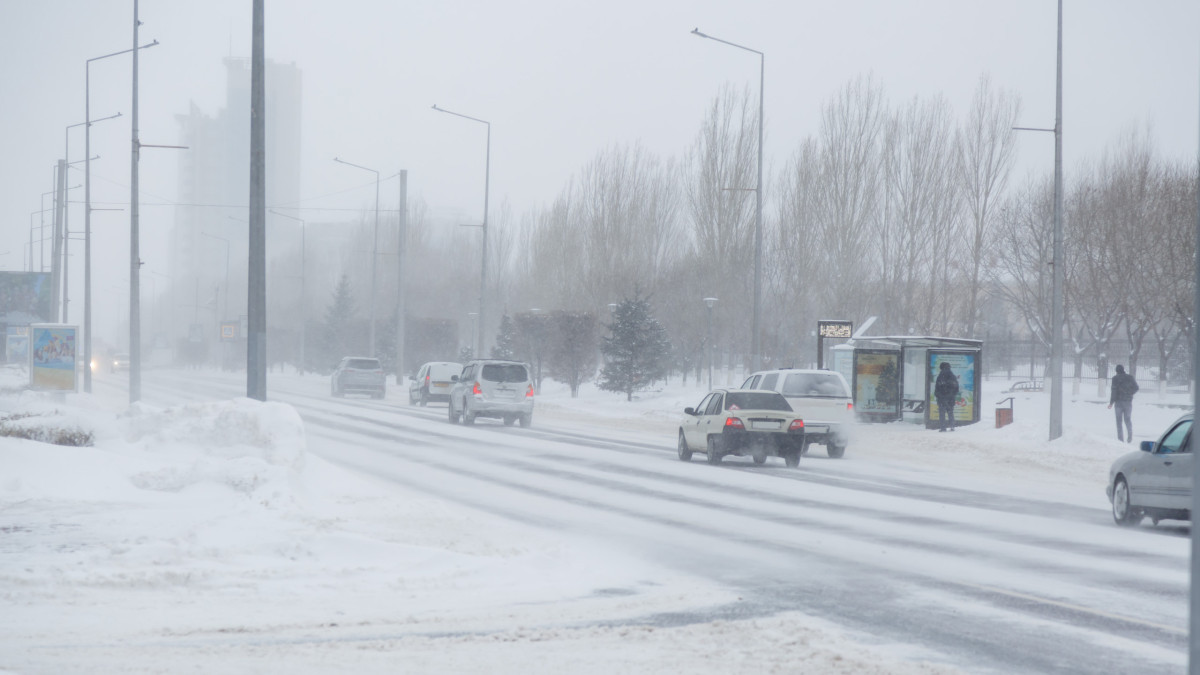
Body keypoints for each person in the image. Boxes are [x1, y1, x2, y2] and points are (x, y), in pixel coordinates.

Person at [1108, 364, 1139, 443]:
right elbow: (1136, 388)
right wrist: (1130, 393)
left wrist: (1111, 402)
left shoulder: (1115, 379)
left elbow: (1113, 391)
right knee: (1127, 419)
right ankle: (1130, 435)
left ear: (1116, 371)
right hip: (1128, 402)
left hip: (1118, 403)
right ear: (1123, 370)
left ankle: (1120, 440)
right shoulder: (1130, 377)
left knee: (1119, 421)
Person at [934, 361, 960, 432]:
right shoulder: (952, 376)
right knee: (950, 412)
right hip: (951, 398)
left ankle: (943, 428)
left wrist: (938, 395)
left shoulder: (940, 375)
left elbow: (937, 387)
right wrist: (952, 394)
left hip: (942, 398)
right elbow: (956, 387)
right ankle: (952, 426)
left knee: (942, 413)